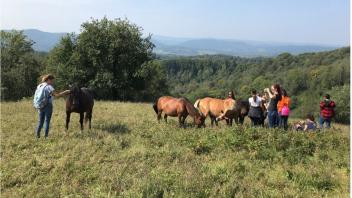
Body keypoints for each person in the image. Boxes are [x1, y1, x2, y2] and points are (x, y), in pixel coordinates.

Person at [34, 74, 69, 138]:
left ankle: (37, 135)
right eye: (52, 81)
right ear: (49, 80)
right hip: (47, 105)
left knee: (40, 121)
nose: (52, 82)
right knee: (47, 121)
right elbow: (56, 95)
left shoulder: (39, 85)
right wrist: (65, 92)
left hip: (39, 105)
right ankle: (46, 137)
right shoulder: (49, 87)